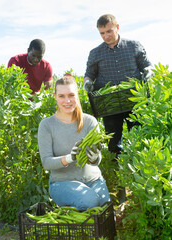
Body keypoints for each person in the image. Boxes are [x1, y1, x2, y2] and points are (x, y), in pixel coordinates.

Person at [83, 14, 153, 203]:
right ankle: (121, 185)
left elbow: (146, 65)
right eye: (102, 33)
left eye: (109, 31)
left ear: (117, 27)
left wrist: (149, 72)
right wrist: (87, 83)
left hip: (134, 101)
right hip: (110, 105)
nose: (106, 36)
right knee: (114, 144)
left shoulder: (134, 46)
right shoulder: (95, 53)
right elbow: (89, 74)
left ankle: (141, 182)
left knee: (139, 140)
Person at [38, 74, 111, 211]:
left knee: (107, 213)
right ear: (55, 96)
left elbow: (97, 160)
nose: (67, 101)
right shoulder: (47, 125)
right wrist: (70, 158)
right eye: (62, 96)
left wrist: (95, 158)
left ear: (77, 95)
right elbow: (46, 162)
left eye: (71, 95)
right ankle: (69, 212)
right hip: (62, 184)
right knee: (90, 202)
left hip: (93, 180)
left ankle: (77, 216)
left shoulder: (90, 121)